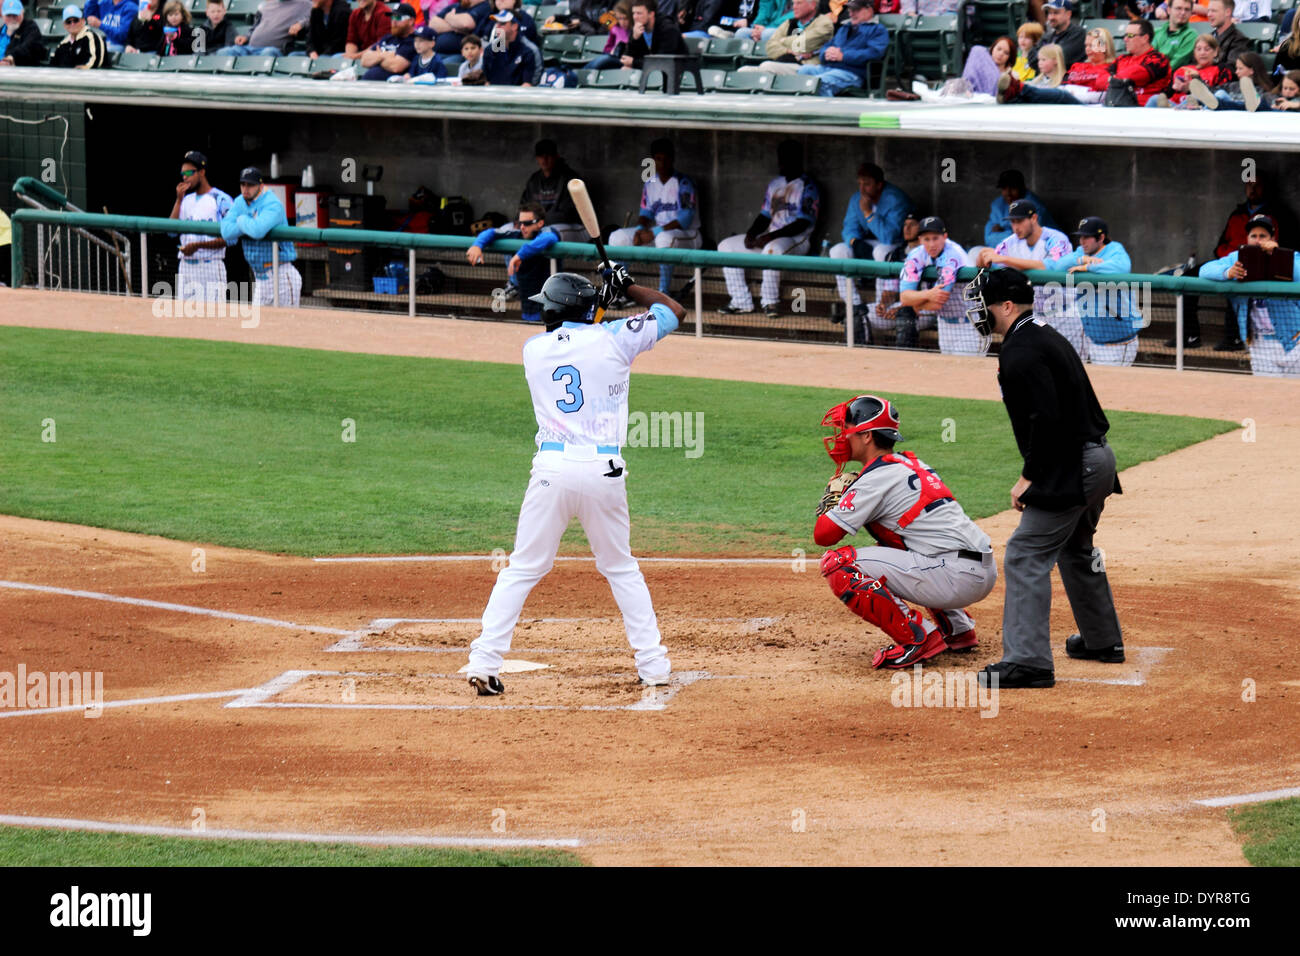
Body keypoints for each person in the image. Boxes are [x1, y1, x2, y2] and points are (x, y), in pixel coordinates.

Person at [465, 267, 685, 695]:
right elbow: (672, 312)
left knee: (523, 568)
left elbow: (578, 333)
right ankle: (654, 665)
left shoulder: (534, 350)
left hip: (551, 472)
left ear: (552, 310)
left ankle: (485, 660)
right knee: (620, 568)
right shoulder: (616, 338)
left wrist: (601, 303)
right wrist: (628, 287)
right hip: (604, 472)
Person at [965, 267, 1124, 690]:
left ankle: (1028, 663)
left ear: (1006, 306)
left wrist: (1029, 477)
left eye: (984, 303)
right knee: (1076, 547)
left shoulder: (1020, 351)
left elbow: (1046, 420)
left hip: (1075, 464)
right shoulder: (1041, 332)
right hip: (1098, 458)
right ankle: (1102, 641)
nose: (979, 311)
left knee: (1025, 553)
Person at [813, 395, 996, 670]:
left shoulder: (876, 478)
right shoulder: (909, 463)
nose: (840, 437)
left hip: (953, 576)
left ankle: (917, 638)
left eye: (846, 430)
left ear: (865, 436)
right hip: (979, 569)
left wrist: (833, 500)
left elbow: (824, 536)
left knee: (839, 564)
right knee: (899, 545)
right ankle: (958, 629)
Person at [716, 139, 820, 318]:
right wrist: (751, 233)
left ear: (797, 159)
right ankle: (740, 301)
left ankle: (770, 302)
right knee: (726, 246)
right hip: (771, 237)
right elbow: (764, 215)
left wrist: (769, 237)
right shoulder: (775, 184)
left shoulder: (808, 186)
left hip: (797, 240)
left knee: (773, 249)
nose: (781, 163)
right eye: (781, 158)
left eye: (786, 159)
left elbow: (802, 223)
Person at [1198, 215, 1300, 377]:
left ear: (1272, 238)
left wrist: (1277, 255)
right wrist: (1227, 272)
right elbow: (1204, 270)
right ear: (1247, 238)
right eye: (1254, 236)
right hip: (1260, 345)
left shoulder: (1289, 257)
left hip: (1294, 342)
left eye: (1263, 236)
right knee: (1267, 397)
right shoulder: (1236, 258)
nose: (1258, 240)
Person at [976, 200, 1081, 357]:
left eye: (1020, 221)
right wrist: (982, 256)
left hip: (1063, 315)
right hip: (1035, 317)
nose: (1015, 227)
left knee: (1069, 367)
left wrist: (1005, 260)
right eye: (1012, 222)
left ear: (1034, 218)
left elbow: (1053, 266)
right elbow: (989, 262)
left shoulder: (1056, 239)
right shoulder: (1010, 242)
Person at [609, 138, 701, 295]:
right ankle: (620, 291)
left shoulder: (684, 183)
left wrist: (654, 232)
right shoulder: (650, 183)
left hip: (688, 236)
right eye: (658, 159)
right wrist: (639, 230)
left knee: (663, 238)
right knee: (618, 237)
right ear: (653, 160)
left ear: (673, 159)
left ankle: (663, 292)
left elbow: (685, 220)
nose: (662, 163)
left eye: (666, 159)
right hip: (660, 236)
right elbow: (646, 213)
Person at [828, 161, 913, 320]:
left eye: (866, 184)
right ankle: (853, 304)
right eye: (860, 183)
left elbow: (889, 236)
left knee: (880, 251)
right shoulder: (856, 198)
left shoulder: (896, 199)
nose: (862, 189)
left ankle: (881, 303)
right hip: (868, 242)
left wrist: (868, 213)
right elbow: (848, 227)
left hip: (894, 245)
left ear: (879, 184)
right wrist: (855, 242)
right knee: (837, 250)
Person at [1054, 216, 1143, 366]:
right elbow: (1058, 267)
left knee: (1112, 386)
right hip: (1095, 341)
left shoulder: (1115, 250)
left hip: (1118, 342)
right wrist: (1082, 260)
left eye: (1087, 237)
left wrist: (1088, 268)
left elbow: (1121, 268)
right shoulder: (1081, 252)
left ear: (1101, 237)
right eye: (1081, 236)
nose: (1082, 241)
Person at [219, 166, 302, 307]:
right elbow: (226, 231)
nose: (246, 189)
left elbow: (257, 231)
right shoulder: (240, 201)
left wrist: (241, 220)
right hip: (260, 278)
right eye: (243, 184)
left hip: (281, 275)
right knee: (260, 326)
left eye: (250, 185)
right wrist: (248, 223)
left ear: (261, 186)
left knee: (286, 326)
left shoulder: (272, 204)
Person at [898, 216, 978, 355]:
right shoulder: (916, 254)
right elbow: (904, 298)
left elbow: (937, 303)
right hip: (944, 324)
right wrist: (927, 295)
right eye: (926, 239)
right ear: (920, 239)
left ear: (945, 237)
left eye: (935, 238)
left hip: (969, 323)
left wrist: (917, 304)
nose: (931, 244)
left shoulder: (952, 254)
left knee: (965, 374)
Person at [465, 202, 558, 321]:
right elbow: (491, 232)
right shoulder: (516, 232)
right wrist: (477, 245)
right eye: (520, 223)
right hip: (528, 302)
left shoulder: (547, 231)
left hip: (550, 304)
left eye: (527, 223)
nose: (522, 227)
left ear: (540, 223)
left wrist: (519, 255)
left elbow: (549, 238)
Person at [169, 150, 234, 303]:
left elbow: (230, 238)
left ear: (202, 172)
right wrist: (178, 201)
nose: (185, 177)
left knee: (213, 319)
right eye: (183, 174)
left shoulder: (221, 199)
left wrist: (198, 246)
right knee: (184, 320)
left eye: (189, 172)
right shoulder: (185, 200)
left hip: (210, 267)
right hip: (186, 267)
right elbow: (171, 232)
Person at [796, 0, 886, 96]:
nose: (851, 13)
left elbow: (874, 53)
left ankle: (825, 110)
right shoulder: (844, 28)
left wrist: (843, 56)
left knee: (820, 82)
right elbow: (826, 46)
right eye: (850, 10)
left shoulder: (878, 30)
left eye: (855, 10)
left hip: (853, 73)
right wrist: (826, 53)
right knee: (803, 71)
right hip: (829, 68)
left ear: (868, 10)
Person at [738, 0, 830, 74]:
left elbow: (802, 43)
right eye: (794, 3)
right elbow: (770, 47)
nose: (794, 7)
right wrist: (789, 51)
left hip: (804, 65)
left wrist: (781, 41)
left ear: (813, 5)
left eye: (799, 3)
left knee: (767, 66)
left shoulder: (824, 23)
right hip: (782, 62)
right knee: (743, 70)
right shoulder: (790, 23)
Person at [520, 139, 584, 242]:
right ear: (537, 158)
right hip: (538, 223)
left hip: (570, 227)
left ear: (556, 156)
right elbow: (524, 206)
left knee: (546, 233)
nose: (544, 159)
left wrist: (538, 221)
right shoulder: (534, 180)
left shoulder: (570, 179)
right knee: (510, 230)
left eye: (548, 155)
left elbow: (568, 215)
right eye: (541, 156)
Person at [984, 169, 1058, 249]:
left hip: (1043, 249)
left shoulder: (1034, 206)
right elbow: (989, 237)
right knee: (975, 252)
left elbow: (1029, 239)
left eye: (1013, 188)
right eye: (1004, 188)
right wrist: (1012, 233)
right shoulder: (998, 204)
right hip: (1009, 250)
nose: (1008, 193)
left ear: (1022, 188)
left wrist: (1004, 232)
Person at [218, 0, 311, 55]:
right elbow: (256, 25)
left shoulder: (304, 4)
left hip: (272, 51)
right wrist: (247, 37)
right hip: (249, 48)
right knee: (224, 53)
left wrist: (301, 24)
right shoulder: (269, 4)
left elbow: (319, 17)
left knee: (267, 54)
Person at [480, 10, 541, 85]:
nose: (497, 27)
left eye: (502, 23)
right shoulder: (489, 50)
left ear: (514, 26)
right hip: (493, 94)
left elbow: (528, 84)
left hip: (518, 95)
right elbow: (486, 81)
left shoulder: (529, 51)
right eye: (497, 23)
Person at [357, 2, 416, 79]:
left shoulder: (413, 41)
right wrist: (384, 55)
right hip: (368, 85)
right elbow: (364, 60)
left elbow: (396, 66)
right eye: (392, 17)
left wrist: (377, 57)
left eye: (398, 17)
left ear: (411, 21)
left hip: (391, 88)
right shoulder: (388, 38)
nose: (393, 21)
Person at [624, 0, 687, 69]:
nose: (635, 17)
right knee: (626, 69)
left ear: (651, 14)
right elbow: (626, 58)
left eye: (639, 13)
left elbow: (662, 61)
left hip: (675, 70)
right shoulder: (637, 29)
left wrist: (634, 62)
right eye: (633, 13)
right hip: (652, 71)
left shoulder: (668, 29)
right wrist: (634, 39)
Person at [1034, 0, 1085, 68]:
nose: (1051, 17)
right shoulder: (1047, 36)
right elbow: (1031, 59)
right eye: (1049, 13)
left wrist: (1043, 58)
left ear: (1068, 14)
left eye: (1056, 13)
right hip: (1046, 77)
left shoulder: (1078, 33)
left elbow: (1063, 58)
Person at [0, 0, 48, 65]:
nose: (12, 18)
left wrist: (11, 57)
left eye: (15, 15)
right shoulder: (1, 30)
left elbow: (29, 46)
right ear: (3, 15)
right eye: (8, 15)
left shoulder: (30, 28)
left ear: (22, 12)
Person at [1207, 0, 1248, 76]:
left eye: (1214, 11)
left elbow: (1231, 69)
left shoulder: (1238, 40)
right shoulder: (1208, 38)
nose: (1209, 14)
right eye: (1208, 11)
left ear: (1227, 12)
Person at [585, 0, 629, 70]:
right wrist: (608, 23)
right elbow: (605, 23)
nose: (622, 22)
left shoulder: (632, 30)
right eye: (620, 19)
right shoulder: (615, 27)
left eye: (625, 19)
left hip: (621, 58)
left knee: (602, 61)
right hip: (610, 55)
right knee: (601, 60)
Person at [1153, 0, 1197, 70]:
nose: (1183, 13)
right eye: (1178, 8)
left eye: (1187, 9)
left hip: (1169, 78)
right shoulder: (1156, 32)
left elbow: (1175, 64)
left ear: (1191, 13)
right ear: (1168, 10)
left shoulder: (1191, 35)